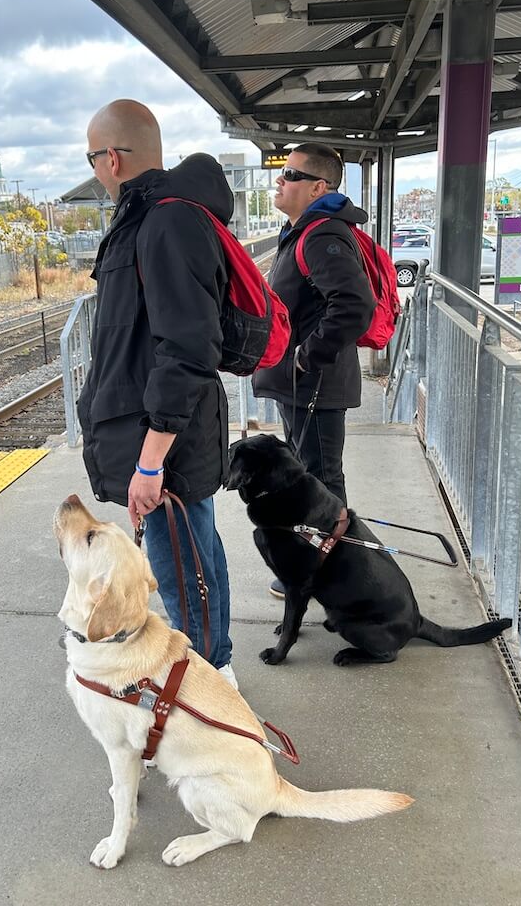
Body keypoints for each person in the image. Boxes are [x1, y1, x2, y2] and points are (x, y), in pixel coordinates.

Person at [77, 99, 237, 689]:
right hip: (166, 436)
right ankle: (216, 669)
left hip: (165, 444)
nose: (95, 168)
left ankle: (209, 686)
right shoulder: (154, 219)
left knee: (184, 571)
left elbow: (188, 347)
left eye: (93, 157)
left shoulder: (164, 222)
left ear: (111, 158)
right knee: (198, 559)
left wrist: (149, 460)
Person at [252, 143, 375, 600]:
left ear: (318, 187)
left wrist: (307, 357)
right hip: (302, 385)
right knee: (312, 479)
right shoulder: (304, 231)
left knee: (321, 484)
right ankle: (321, 571)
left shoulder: (321, 236)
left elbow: (354, 306)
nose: (279, 181)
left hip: (314, 385)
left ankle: (333, 577)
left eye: (289, 174)